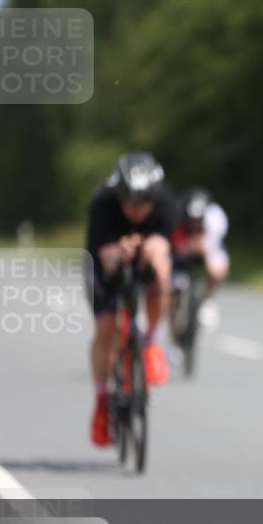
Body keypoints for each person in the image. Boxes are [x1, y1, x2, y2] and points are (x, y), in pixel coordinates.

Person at [85, 152, 178, 447]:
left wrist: (151, 251)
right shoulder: (102, 205)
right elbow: (106, 262)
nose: (136, 210)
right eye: (129, 202)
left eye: (143, 203)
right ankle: (102, 400)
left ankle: (151, 343)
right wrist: (121, 254)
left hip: (144, 260)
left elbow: (163, 249)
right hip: (106, 265)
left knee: (161, 273)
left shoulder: (167, 204)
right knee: (107, 330)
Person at [170, 188, 229, 330]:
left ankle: (209, 299)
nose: (195, 223)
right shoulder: (176, 218)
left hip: (206, 251)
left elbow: (213, 251)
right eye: (191, 220)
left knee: (217, 268)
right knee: (173, 289)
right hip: (180, 254)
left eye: (198, 220)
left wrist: (202, 250)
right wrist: (186, 248)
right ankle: (174, 329)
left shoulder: (215, 218)